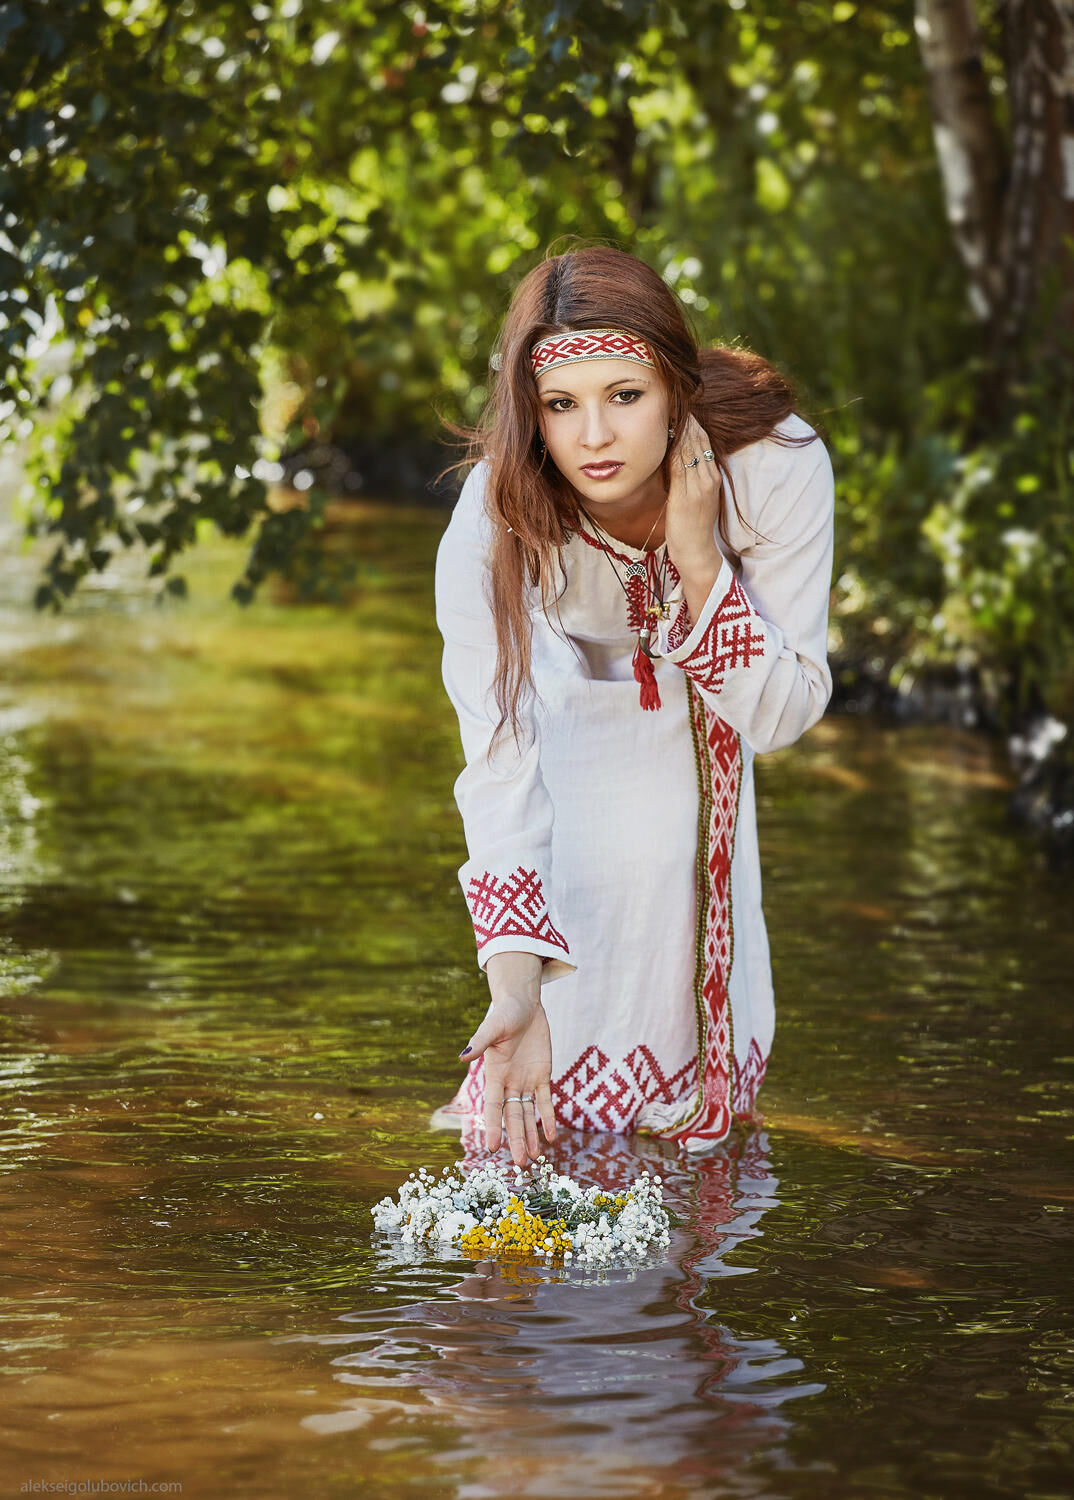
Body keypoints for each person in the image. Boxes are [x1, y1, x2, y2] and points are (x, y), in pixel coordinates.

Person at [431, 245, 834, 1166]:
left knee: (694, 1128)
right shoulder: (491, 522)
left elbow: (780, 715)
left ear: (676, 390)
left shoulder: (776, 464)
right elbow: (499, 759)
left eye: (626, 394)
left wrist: (700, 563)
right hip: (568, 704)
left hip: (720, 705)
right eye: (562, 406)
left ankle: (691, 1143)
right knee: (520, 1127)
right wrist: (516, 984)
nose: (594, 438)